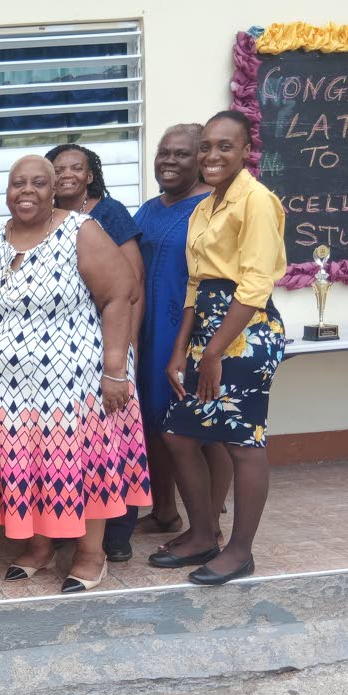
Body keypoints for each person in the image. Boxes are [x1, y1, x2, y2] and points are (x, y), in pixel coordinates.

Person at [0, 155, 150, 593]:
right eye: (17, 184)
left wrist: (116, 370)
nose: (26, 191)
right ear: (6, 192)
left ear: (54, 191)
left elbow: (120, 296)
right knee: (28, 466)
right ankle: (40, 546)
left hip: (78, 386)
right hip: (7, 392)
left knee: (84, 465)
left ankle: (90, 554)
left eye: (38, 183)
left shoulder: (79, 231)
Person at [150, 110, 287, 586]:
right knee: (179, 433)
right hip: (206, 329)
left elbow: (253, 286)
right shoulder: (207, 205)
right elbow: (195, 285)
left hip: (244, 332)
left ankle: (239, 551)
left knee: (242, 442)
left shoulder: (257, 202)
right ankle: (203, 534)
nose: (212, 155)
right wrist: (179, 352)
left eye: (224, 146)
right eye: (206, 146)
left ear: (247, 150)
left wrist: (213, 353)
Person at [46, 144, 150, 564]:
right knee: (75, 447)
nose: (67, 174)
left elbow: (133, 284)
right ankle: (69, 528)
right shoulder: (45, 219)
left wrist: (125, 350)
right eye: (59, 169)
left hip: (109, 345)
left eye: (77, 168)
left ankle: (118, 532)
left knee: (113, 441)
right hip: (66, 354)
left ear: (91, 175)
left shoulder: (109, 214)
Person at [130, 126, 232, 542]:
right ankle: (165, 511)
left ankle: (208, 523)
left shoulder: (210, 210)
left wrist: (213, 346)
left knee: (205, 429)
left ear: (200, 162)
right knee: (156, 423)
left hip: (194, 334)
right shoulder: (149, 210)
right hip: (150, 333)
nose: (168, 161)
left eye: (181, 155)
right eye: (163, 153)